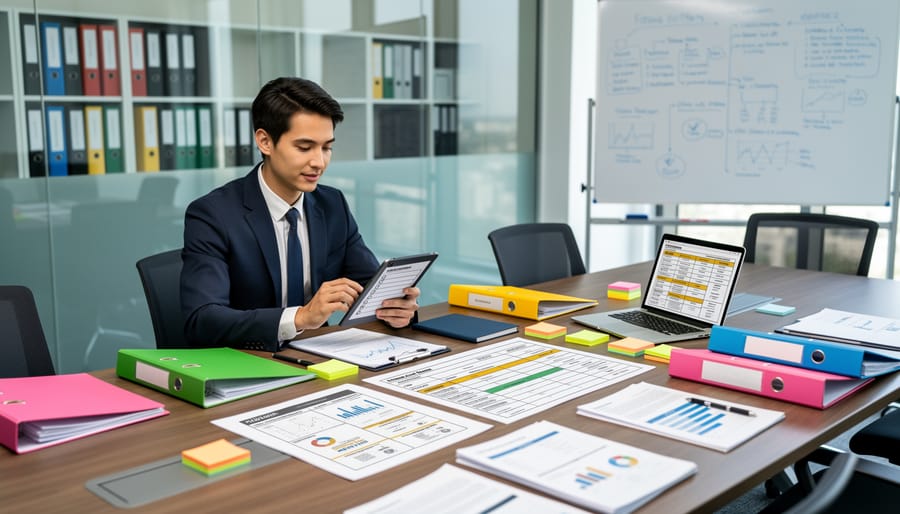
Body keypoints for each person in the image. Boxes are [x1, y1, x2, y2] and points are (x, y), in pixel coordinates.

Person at [180, 77, 420, 351]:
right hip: (249, 364)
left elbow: (370, 287)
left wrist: (398, 309)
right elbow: (202, 320)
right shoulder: (213, 215)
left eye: (327, 147)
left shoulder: (332, 205)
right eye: (304, 147)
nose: (319, 162)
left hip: (321, 359)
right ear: (265, 142)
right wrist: (301, 317)